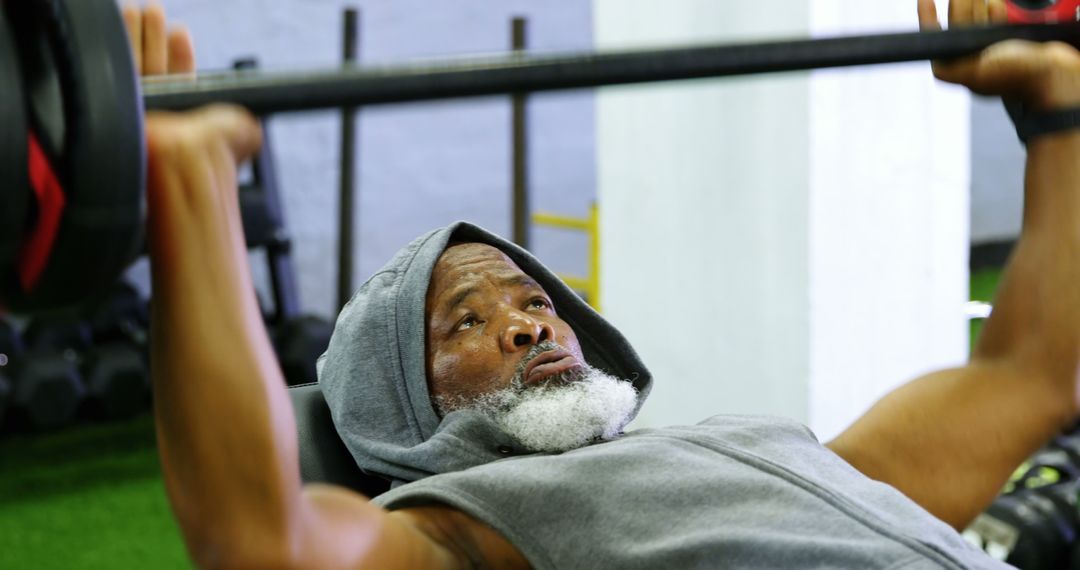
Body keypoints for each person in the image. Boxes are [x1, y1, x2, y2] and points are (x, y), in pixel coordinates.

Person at [137, 0, 1080, 567]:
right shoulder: (460, 531)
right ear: (395, 410)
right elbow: (262, 542)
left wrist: (1055, 112)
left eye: (536, 300)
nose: (526, 325)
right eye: (464, 321)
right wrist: (191, 187)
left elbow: (1032, 373)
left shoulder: (771, 450)